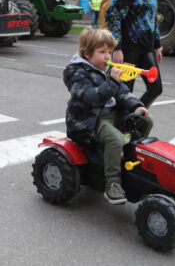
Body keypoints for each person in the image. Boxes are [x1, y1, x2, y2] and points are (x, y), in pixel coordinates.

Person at [64, 28, 150, 205]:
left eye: (110, 52)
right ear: (87, 54)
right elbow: (91, 98)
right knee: (115, 138)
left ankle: (128, 158)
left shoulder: (105, 69)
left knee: (145, 120)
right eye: (102, 52)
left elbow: (122, 92)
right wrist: (112, 82)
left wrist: (136, 105)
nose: (107, 57)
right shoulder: (77, 73)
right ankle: (113, 184)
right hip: (89, 119)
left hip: (110, 114)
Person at [104, 0, 163, 108]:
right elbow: (113, 15)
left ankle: (133, 120)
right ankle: (123, 128)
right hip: (128, 49)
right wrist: (117, 47)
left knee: (156, 88)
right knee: (123, 94)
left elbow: (153, 18)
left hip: (146, 47)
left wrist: (157, 45)